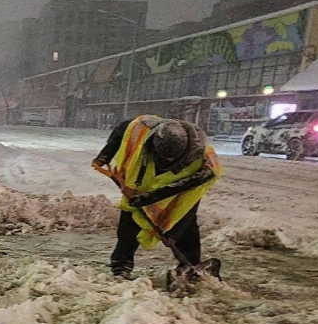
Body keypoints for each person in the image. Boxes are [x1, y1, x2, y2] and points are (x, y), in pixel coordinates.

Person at [92, 115, 222, 279]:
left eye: (169, 160)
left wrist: (173, 233)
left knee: (185, 227)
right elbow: (122, 130)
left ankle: (190, 265)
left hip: (179, 194)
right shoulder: (142, 130)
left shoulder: (203, 166)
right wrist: (106, 154)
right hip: (140, 186)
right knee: (129, 224)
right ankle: (120, 266)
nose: (163, 162)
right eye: (160, 157)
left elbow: (188, 205)